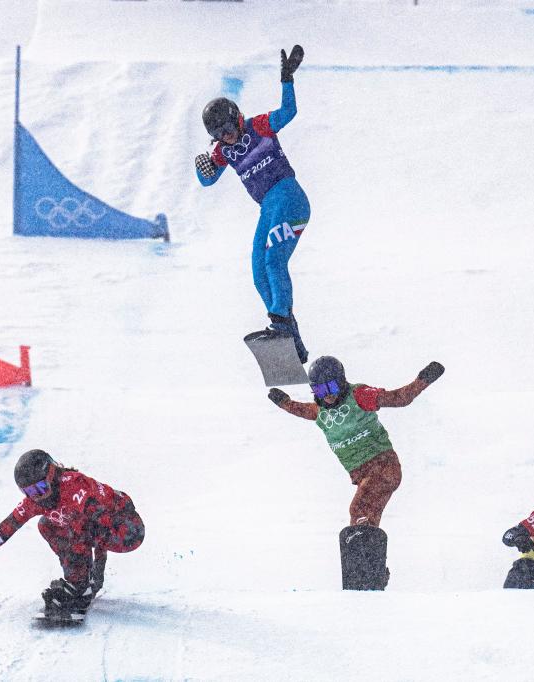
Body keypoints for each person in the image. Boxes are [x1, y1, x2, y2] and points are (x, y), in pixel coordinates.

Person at [195, 44, 310, 363]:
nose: (228, 136)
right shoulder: (223, 151)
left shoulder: (258, 126)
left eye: (229, 128)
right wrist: (201, 167)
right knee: (259, 270)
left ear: (238, 118)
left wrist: (287, 79)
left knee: (274, 261)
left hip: (290, 199)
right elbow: (207, 180)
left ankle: (280, 323)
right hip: (268, 209)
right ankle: (292, 339)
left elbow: (288, 112)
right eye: (220, 134)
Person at [0, 449, 145, 613]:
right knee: (47, 525)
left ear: (52, 475)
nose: (38, 496)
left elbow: (94, 526)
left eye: (41, 488)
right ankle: (81, 582)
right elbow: (5, 529)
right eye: (29, 492)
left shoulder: (74, 486)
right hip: (100, 528)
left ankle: (79, 586)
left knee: (75, 524)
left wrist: (90, 575)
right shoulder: (34, 502)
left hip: (128, 531)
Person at [267, 356, 444, 527]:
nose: (327, 395)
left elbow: (399, 398)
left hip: (383, 466)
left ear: (341, 381)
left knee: (359, 508)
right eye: (320, 390)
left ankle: (362, 541)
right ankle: (366, 544)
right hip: (363, 476)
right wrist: (285, 402)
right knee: (366, 517)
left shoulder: (359, 395)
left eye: (331, 387)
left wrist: (424, 379)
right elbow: (302, 410)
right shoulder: (321, 411)